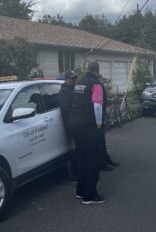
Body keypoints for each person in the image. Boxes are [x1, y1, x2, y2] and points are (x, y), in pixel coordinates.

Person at [69, 61, 107, 205]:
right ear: (97, 70)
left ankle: (80, 190)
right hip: (88, 126)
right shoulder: (95, 85)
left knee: (82, 157)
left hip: (75, 124)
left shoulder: (79, 83)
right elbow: (97, 106)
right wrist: (98, 125)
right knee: (93, 160)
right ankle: (90, 195)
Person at [58, 70, 78, 180]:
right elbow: (66, 110)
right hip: (72, 123)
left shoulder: (72, 89)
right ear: (66, 79)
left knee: (78, 147)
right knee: (76, 149)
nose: (74, 80)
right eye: (72, 78)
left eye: (75, 77)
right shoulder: (64, 92)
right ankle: (73, 173)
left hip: (76, 121)